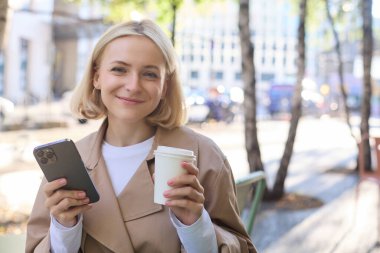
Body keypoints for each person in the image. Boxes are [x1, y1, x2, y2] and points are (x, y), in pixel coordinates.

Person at [25, 19, 257, 253]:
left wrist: (195, 224)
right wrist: (64, 229)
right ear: (96, 77)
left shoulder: (202, 155)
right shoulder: (70, 163)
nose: (133, 85)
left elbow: (241, 246)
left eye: (149, 74)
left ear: (165, 86)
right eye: (119, 69)